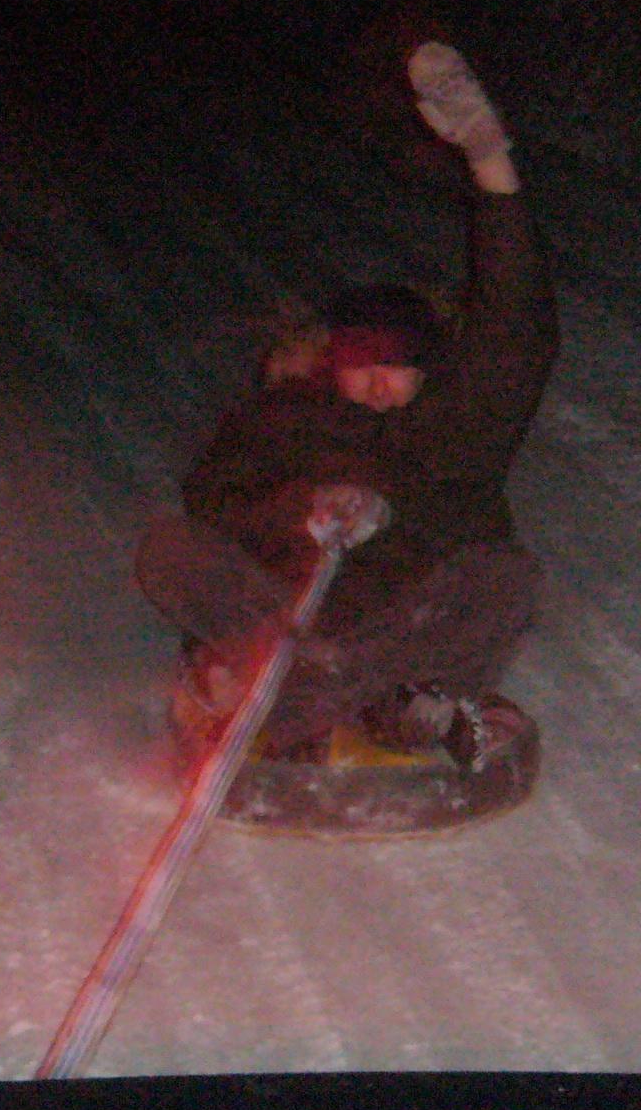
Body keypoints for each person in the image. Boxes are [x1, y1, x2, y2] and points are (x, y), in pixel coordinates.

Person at [134, 41, 558, 770]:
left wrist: (491, 164)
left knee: (507, 577)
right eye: (366, 361)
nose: (381, 381)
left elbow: (516, 331)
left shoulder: (453, 425)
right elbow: (216, 501)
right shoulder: (284, 416)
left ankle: (301, 694)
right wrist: (302, 509)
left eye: (401, 366)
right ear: (336, 359)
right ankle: (357, 695)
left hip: (402, 620)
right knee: (168, 547)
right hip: (286, 610)